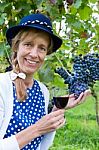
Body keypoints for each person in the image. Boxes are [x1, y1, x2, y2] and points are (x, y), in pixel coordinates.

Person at [0, 13, 90, 150]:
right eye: (28, 45)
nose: (34, 54)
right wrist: (37, 129)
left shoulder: (42, 91)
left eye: (41, 48)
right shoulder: (2, 85)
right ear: (16, 47)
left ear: (46, 53)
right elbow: (38, 130)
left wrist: (58, 108)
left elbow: (42, 145)